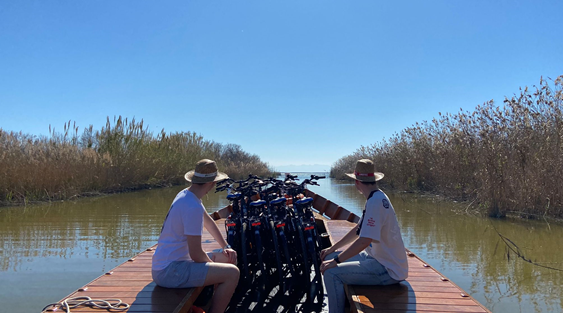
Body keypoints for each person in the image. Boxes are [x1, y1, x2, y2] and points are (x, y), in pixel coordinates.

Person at [320, 159, 408, 313]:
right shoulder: (377, 197)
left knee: (331, 272)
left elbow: (364, 241)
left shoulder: (375, 202)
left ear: (357, 183)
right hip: (376, 258)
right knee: (329, 259)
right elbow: (357, 230)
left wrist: (336, 262)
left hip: (387, 269)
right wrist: (331, 250)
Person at [151, 159, 239, 313]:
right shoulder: (192, 207)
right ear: (211, 183)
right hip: (169, 271)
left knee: (228, 258)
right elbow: (197, 254)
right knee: (232, 273)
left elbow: (210, 223)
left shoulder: (188, 195)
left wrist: (226, 247)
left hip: (172, 264)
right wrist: (214, 269)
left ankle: (206, 303)